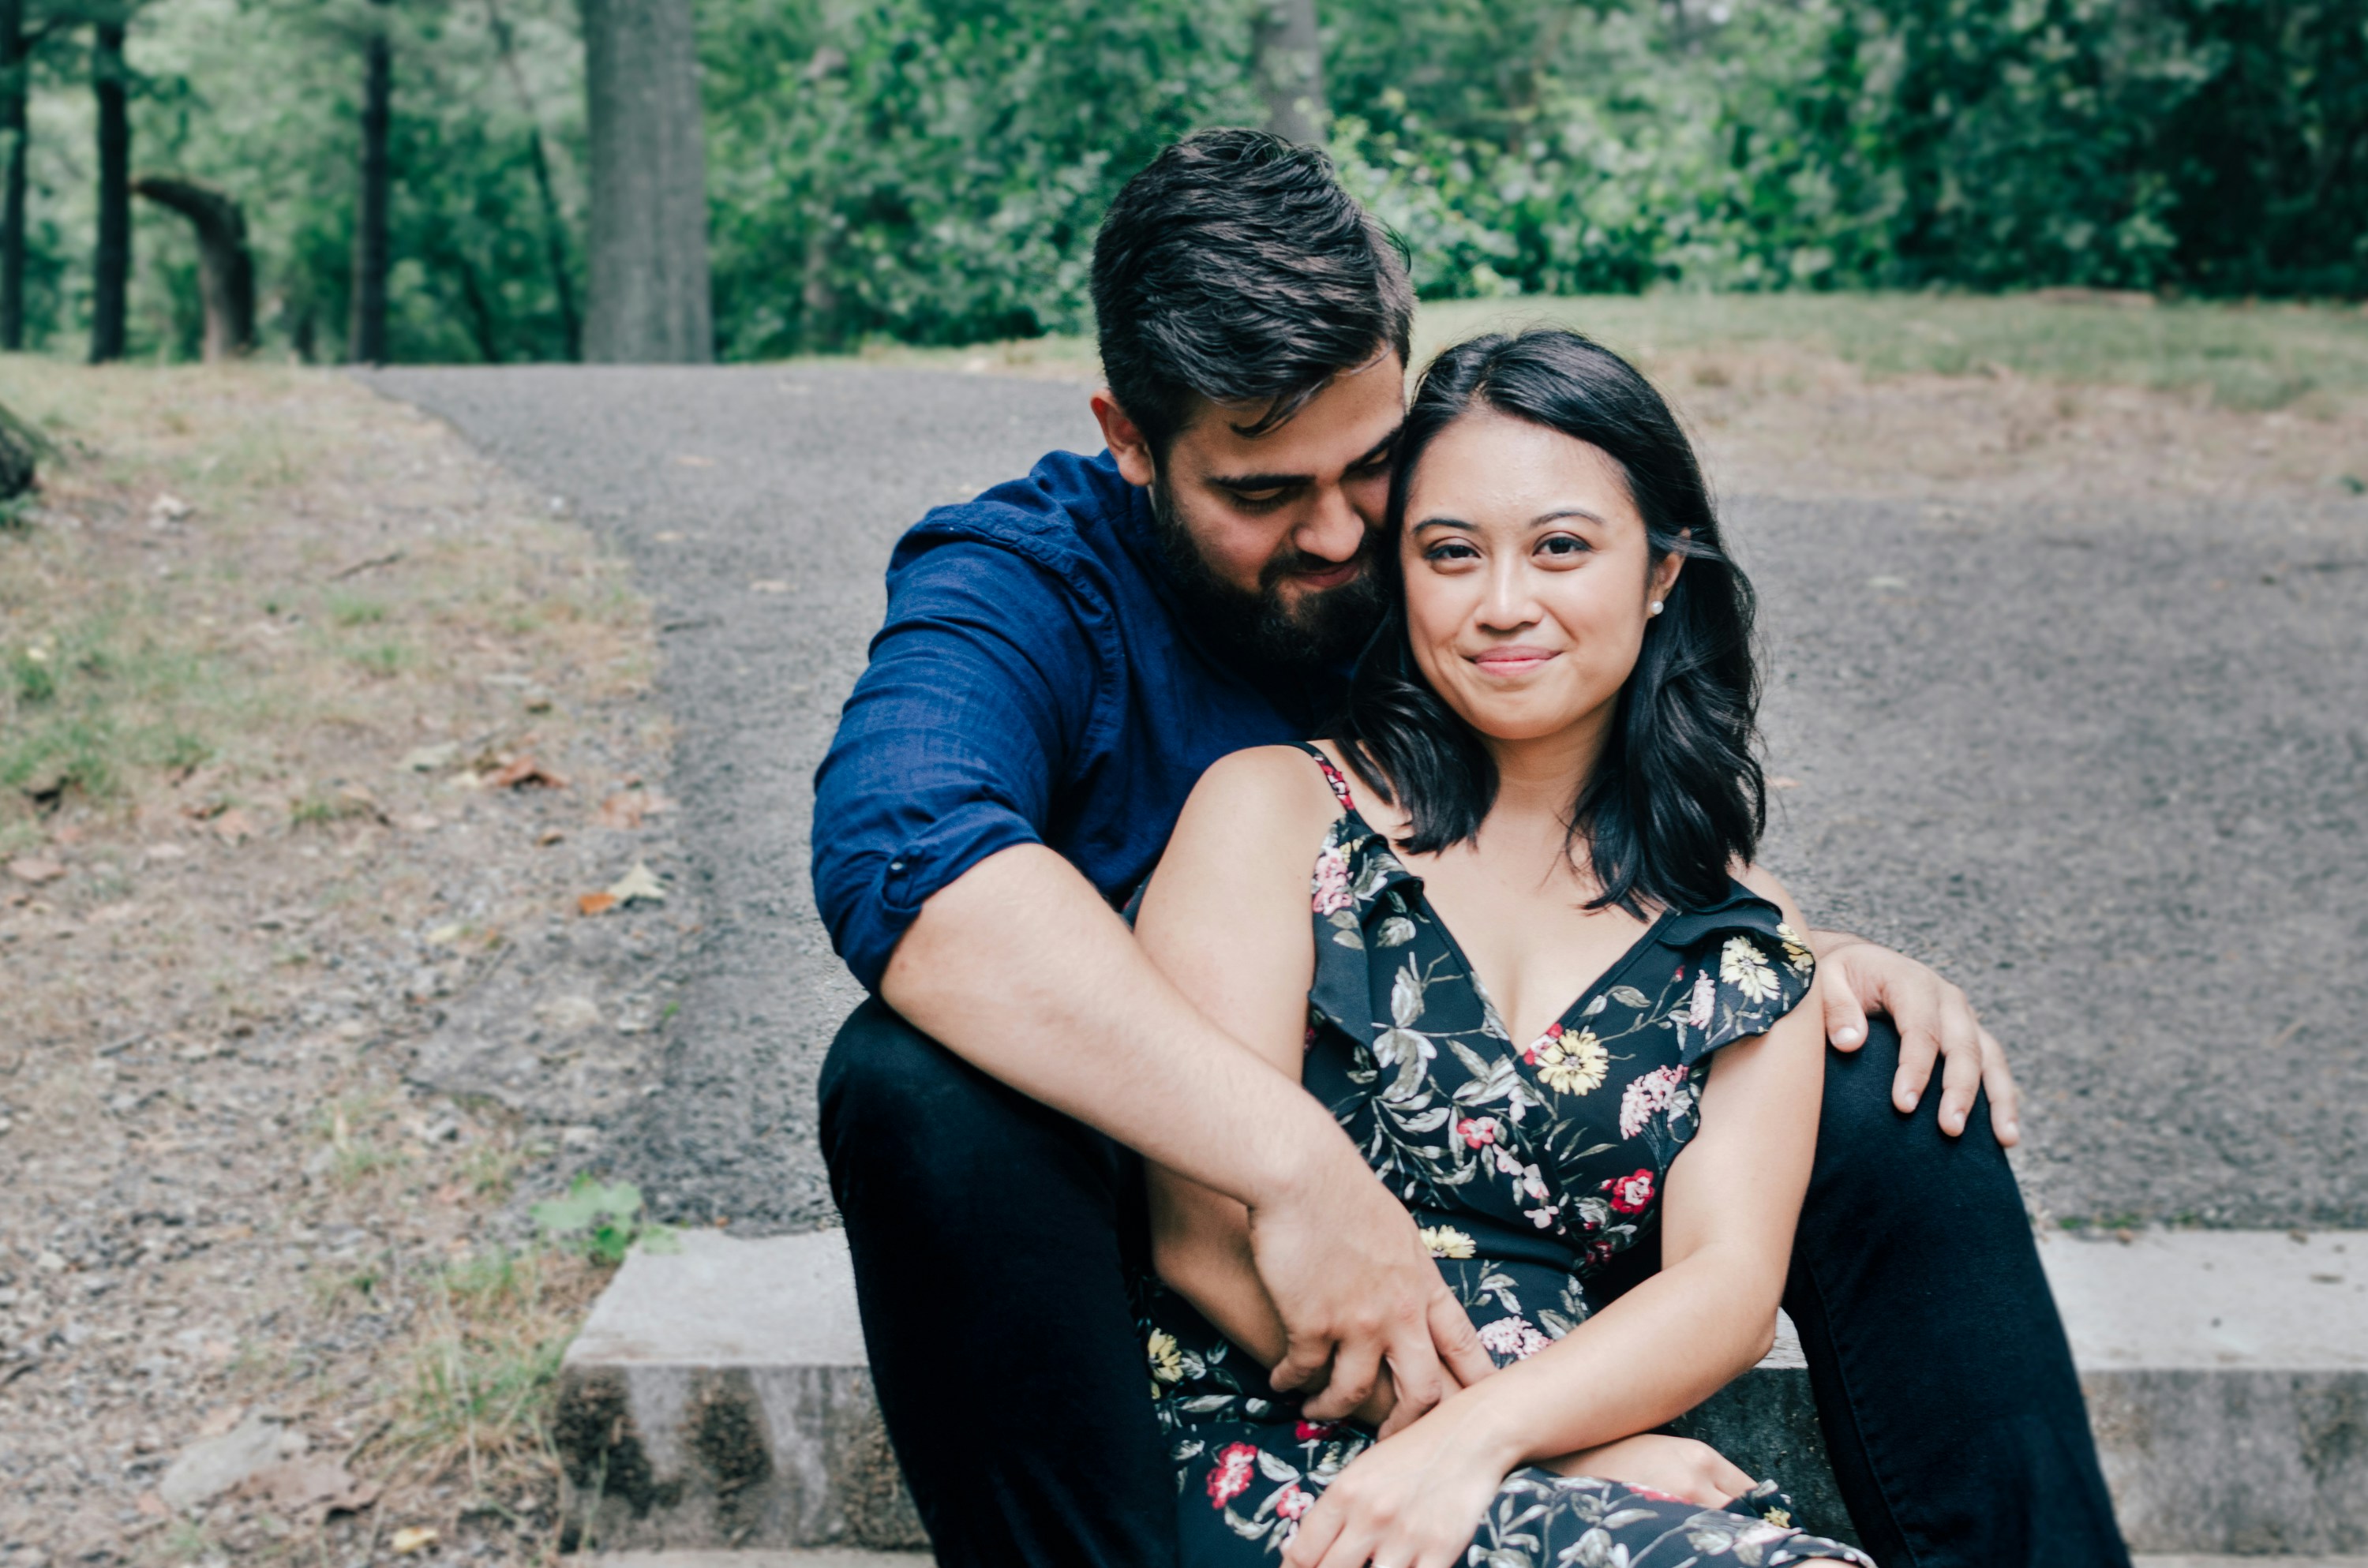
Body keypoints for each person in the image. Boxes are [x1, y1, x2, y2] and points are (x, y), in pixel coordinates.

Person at [813, 130, 2128, 1568]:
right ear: (1131, 439)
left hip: (1533, 1208)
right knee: (916, 1082)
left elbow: (1587, 790)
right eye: (1261, 493)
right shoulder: (1036, 593)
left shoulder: (1444, 551)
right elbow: (911, 862)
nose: (1337, 537)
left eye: (1373, 470)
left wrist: (1787, 959)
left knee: (1877, 1069)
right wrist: (1295, 1167)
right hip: (1193, 1230)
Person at [1135, 325, 1868, 1568]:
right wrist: (1505, 1445)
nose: (1503, 605)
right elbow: (1199, 1233)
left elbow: (1730, 1292)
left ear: (1659, 573)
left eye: (1563, 548)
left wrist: (1501, 1443)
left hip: (1560, 1451)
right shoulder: (1271, 812)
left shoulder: (1743, 935)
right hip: (1275, 1438)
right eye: (1450, 553)